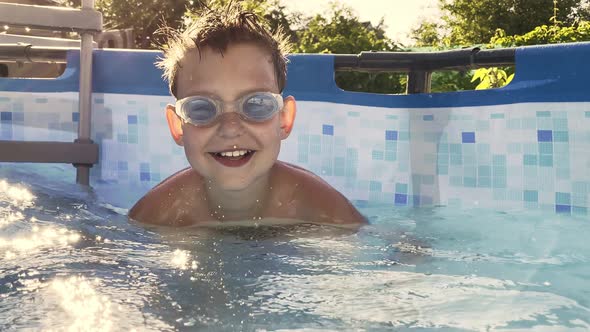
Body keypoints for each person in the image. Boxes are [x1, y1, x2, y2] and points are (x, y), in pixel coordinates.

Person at [128, 2, 366, 226]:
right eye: (201, 108)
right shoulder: (158, 215)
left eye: (256, 105)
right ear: (178, 126)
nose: (230, 128)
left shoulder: (322, 209)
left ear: (284, 119)